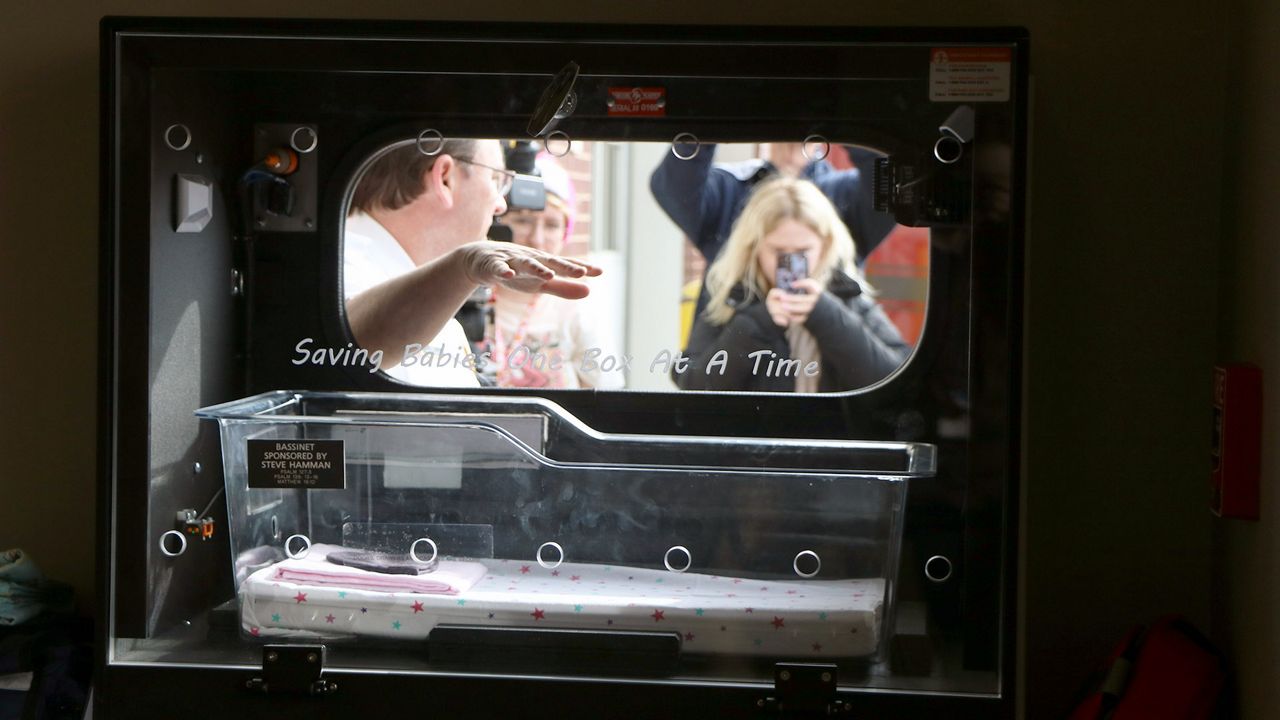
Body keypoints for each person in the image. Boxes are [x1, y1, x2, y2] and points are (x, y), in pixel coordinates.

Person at [344, 138, 600, 387]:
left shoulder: (381, 267)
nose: (501, 205)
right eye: (496, 179)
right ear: (445, 177)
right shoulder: (346, 267)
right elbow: (345, 348)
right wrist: (463, 269)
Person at [677, 177, 907, 392]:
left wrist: (826, 314)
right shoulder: (732, 300)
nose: (789, 264)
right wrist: (758, 323)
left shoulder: (847, 297)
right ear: (754, 248)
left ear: (825, 246)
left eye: (802, 252)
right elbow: (692, 383)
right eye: (778, 251)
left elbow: (895, 378)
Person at [649, 141, 898, 318]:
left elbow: (893, 182)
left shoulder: (848, 195)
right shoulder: (728, 189)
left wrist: (840, 119)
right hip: (737, 357)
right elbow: (673, 187)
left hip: (830, 370)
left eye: (803, 249)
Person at [489, 155, 623, 389]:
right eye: (522, 221)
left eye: (551, 225)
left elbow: (606, 395)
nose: (536, 239)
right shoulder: (470, 294)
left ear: (564, 233)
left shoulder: (577, 306)